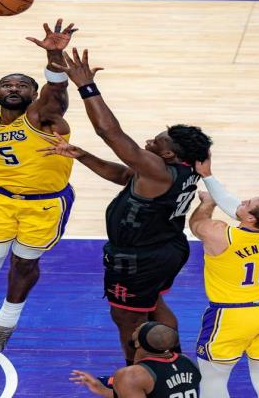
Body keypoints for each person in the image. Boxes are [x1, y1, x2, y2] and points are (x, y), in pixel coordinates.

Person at [40, 48, 212, 366]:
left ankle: (139, 375)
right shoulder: (181, 168)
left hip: (139, 257)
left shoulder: (158, 169)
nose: (148, 143)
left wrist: (86, 86)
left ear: (169, 155)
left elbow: (110, 132)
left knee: (127, 318)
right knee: (153, 305)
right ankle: (174, 366)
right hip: (166, 247)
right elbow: (123, 176)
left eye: (156, 143)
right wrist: (82, 155)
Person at [0, 18, 78, 372]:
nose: (14, 88)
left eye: (22, 85)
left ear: (34, 95)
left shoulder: (45, 118)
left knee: (24, 264)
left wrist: (54, 56)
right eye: (7, 84)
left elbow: (58, 94)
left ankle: (4, 325)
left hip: (45, 204)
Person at [189, 155, 259, 398]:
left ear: (250, 218)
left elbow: (197, 223)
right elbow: (241, 211)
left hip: (233, 315)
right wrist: (208, 177)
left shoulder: (220, 234)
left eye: (247, 202)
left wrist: (208, 202)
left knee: (213, 380)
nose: (242, 201)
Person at [70, 322, 201, 397]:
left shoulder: (132, 375)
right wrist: (102, 390)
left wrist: (104, 389)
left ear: (137, 343)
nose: (137, 327)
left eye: (138, 329)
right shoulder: (187, 361)